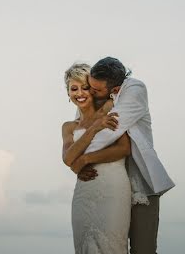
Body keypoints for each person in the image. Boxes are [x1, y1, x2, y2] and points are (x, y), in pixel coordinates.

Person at [83, 57, 174, 254]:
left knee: (144, 249)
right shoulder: (97, 97)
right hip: (109, 183)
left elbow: (112, 129)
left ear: (115, 88)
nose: (91, 92)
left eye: (97, 90)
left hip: (141, 183)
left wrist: (80, 156)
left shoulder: (135, 89)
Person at [62, 63, 134, 254]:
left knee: (112, 245)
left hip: (112, 188)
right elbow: (69, 158)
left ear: (93, 90)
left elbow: (124, 148)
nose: (80, 93)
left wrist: (85, 160)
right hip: (84, 193)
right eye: (73, 89)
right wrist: (94, 127)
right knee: (85, 246)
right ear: (68, 93)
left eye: (85, 87)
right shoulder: (68, 127)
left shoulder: (112, 111)